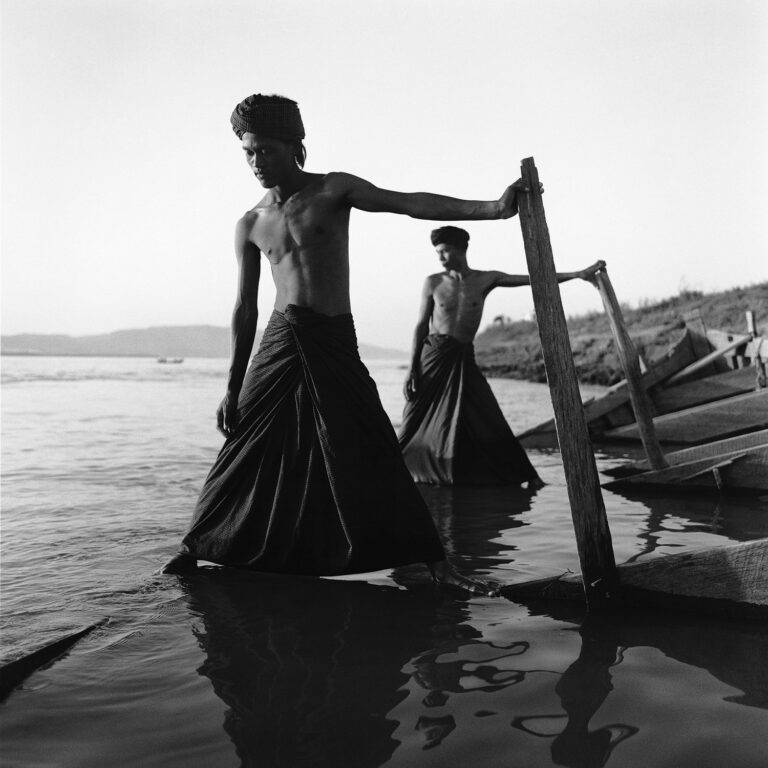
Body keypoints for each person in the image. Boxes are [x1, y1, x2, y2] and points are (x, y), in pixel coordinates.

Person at [161, 93, 533, 593]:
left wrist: (492, 208)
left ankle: (432, 561)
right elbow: (245, 308)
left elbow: (408, 203)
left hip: (332, 338)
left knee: (372, 443)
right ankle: (199, 545)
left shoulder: (334, 190)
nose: (255, 162)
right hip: (279, 341)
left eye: (265, 150)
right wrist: (231, 386)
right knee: (245, 445)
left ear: (295, 146)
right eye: (248, 152)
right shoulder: (249, 224)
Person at [399, 226, 600, 486]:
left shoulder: (486, 279)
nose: (441, 257)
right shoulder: (433, 282)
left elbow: (535, 278)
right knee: (414, 418)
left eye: (446, 251)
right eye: (438, 252)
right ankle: (395, 469)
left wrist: (578, 274)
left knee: (487, 414)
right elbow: (420, 326)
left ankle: (526, 476)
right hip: (433, 357)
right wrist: (410, 369)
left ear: (462, 249)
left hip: (463, 357)